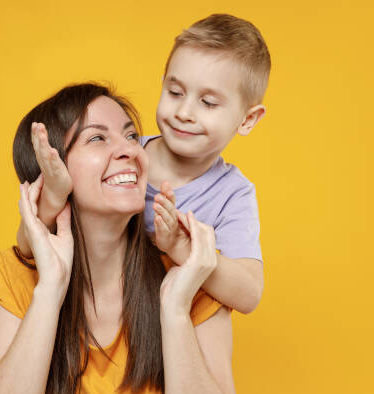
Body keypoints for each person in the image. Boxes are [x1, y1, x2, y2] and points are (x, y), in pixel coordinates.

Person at [0, 83, 236, 394]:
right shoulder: (15, 276)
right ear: (50, 170)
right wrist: (50, 290)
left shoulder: (191, 275)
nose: (129, 149)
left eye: (129, 136)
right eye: (97, 138)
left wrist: (176, 309)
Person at [15, 14, 270, 314]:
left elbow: (249, 294)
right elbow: (25, 248)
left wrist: (180, 246)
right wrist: (54, 196)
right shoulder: (122, 156)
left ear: (248, 119)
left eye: (208, 103)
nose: (184, 112)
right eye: (175, 93)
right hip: (90, 316)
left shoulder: (232, 194)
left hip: (163, 335)